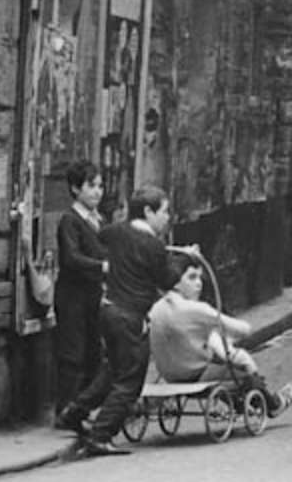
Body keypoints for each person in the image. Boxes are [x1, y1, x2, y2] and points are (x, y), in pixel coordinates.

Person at [59, 184, 182, 459]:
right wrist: (186, 260)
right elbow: (167, 279)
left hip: (108, 310)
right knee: (129, 382)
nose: (167, 217)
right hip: (131, 318)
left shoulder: (116, 232)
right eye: (164, 211)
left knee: (112, 370)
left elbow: (100, 237)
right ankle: (101, 435)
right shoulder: (154, 245)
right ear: (148, 211)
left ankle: (74, 412)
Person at [149, 251, 292, 416]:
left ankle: (241, 405)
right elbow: (243, 329)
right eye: (191, 278)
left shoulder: (155, 309)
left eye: (199, 278)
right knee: (243, 372)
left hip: (169, 375)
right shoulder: (197, 309)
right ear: (176, 283)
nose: (199, 283)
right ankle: (273, 404)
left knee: (220, 362)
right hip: (196, 375)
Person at [53, 161, 110, 422]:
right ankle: (65, 409)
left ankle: (81, 409)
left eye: (100, 186)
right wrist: (103, 266)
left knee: (92, 351)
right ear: (76, 189)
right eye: (91, 186)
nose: (97, 192)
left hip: (92, 294)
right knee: (72, 353)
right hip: (72, 296)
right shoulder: (70, 221)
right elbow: (71, 258)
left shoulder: (98, 221)